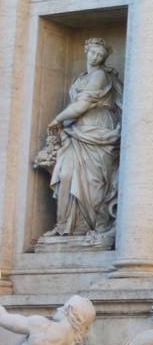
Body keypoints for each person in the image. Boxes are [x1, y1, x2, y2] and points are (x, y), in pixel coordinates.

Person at [43, 37, 122, 243]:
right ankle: (65, 226)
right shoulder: (80, 79)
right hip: (76, 132)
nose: (95, 57)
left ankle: (93, 226)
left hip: (97, 130)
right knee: (66, 174)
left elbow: (81, 106)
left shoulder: (100, 76)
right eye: (93, 52)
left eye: (100, 55)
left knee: (94, 182)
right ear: (86, 51)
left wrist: (57, 120)